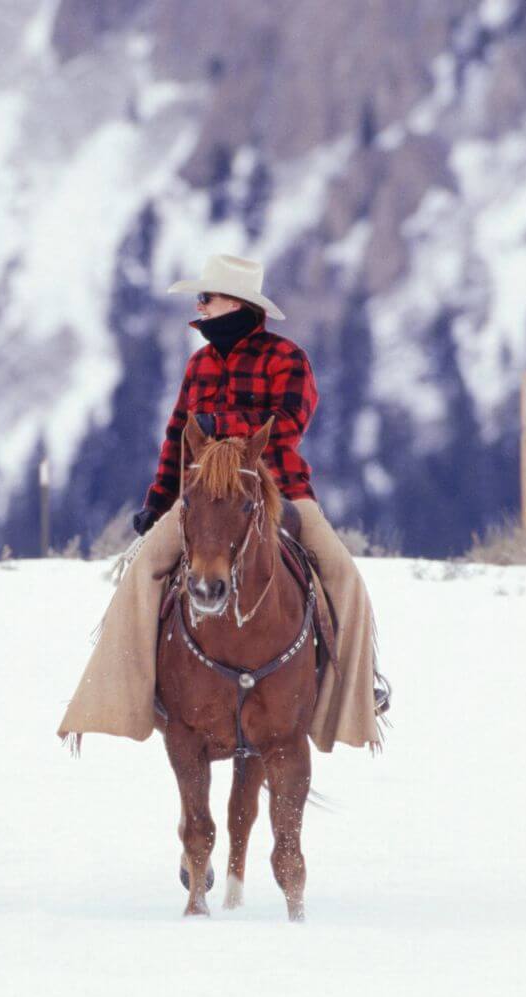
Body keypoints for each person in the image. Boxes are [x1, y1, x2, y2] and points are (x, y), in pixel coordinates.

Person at [59, 255, 389, 754]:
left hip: (280, 489)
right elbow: (178, 440)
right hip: (203, 497)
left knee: (344, 578)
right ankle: (133, 688)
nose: (200, 305)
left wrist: (224, 432)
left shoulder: (288, 359)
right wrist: (157, 503)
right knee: (143, 569)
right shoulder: (199, 366)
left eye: (207, 297)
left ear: (237, 303)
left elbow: (287, 430)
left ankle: (358, 689)